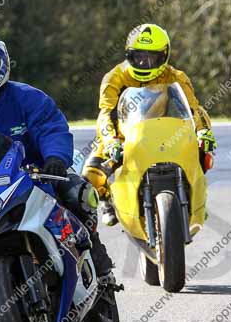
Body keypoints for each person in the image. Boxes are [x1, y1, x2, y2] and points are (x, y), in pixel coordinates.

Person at [0, 36, 118, 285]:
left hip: (38, 174)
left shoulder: (27, 98)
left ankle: (98, 261)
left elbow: (51, 127)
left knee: (78, 195)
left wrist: (55, 158)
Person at [81, 23, 216, 226]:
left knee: (203, 152)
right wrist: (110, 141)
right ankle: (108, 200)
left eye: (152, 57)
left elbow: (194, 109)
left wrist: (203, 132)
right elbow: (106, 113)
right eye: (139, 57)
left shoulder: (177, 77)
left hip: (169, 131)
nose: (145, 63)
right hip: (124, 136)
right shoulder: (113, 78)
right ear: (129, 55)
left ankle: (197, 199)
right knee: (90, 175)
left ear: (164, 56)